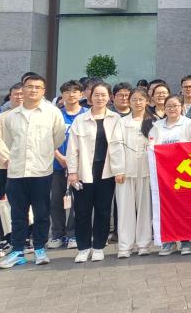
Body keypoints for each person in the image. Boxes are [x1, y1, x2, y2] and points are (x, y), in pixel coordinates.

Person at [0, 74, 66, 269]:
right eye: (29, 86)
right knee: (18, 214)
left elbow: (58, 138)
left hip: (41, 171)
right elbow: (9, 141)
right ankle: (17, 251)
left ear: (43, 91)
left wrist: (44, 152)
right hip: (16, 172)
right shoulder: (11, 116)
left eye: (37, 87)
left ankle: (40, 248)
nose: (33, 90)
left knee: (42, 213)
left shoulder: (52, 113)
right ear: (22, 89)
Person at [67, 81, 125, 264]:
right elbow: (72, 148)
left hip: (106, 172)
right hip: (84, 172)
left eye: (103, 95)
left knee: (103, 210)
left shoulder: (116, 119)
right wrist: (72, 172)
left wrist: (119, 170)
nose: (100, 98)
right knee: (82, 211)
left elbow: (119, 148)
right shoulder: (80, 120)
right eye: (96, 95)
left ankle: (99, 246)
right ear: (90, 97)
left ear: (110, 98)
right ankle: (83, 248)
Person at [149, 95, 191, 255]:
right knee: (167, 208)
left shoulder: (189, 124)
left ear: (181, 107)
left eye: (175, 105)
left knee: (184, 208)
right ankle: (169, 242)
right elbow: (152, 146)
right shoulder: (157, 126)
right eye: (168, 106)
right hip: (164, 174)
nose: (171, 109)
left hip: (184, 174)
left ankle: (185, 240)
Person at [0, 83, 23, 258]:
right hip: (3, 166)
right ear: (10, 96)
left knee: (25, 204)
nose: (20, 97)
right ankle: (5, 239)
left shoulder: (34, 116)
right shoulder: (1, 118)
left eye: (22, 94)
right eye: (16, 94)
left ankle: (26, 238)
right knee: (2, 203)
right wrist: (8, 160)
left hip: (26, 167)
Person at [116, 88, 154, 257]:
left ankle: (144, 244)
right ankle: (125, 245)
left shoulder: (153, 122)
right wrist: (118, 169)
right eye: (134, 99)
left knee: (145, 208)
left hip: (147, 170)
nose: (137, 103)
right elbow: (116, 145)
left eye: (141, 99)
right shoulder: (122, 122)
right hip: (126, 170)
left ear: (147, 101)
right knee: (125, 209)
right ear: (129, 102)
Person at [49, 80, 85, 250]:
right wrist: (59, 156)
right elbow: (47, 138)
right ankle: (57, 234)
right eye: (67, 91)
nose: (71, 95)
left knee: (78, 201)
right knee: (56, 200)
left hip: (80, 167)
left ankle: (73, 234)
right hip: (58, 165)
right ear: (62, 95)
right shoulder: (55, 115)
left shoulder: (86, 114)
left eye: (75, 91)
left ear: (81, 94)